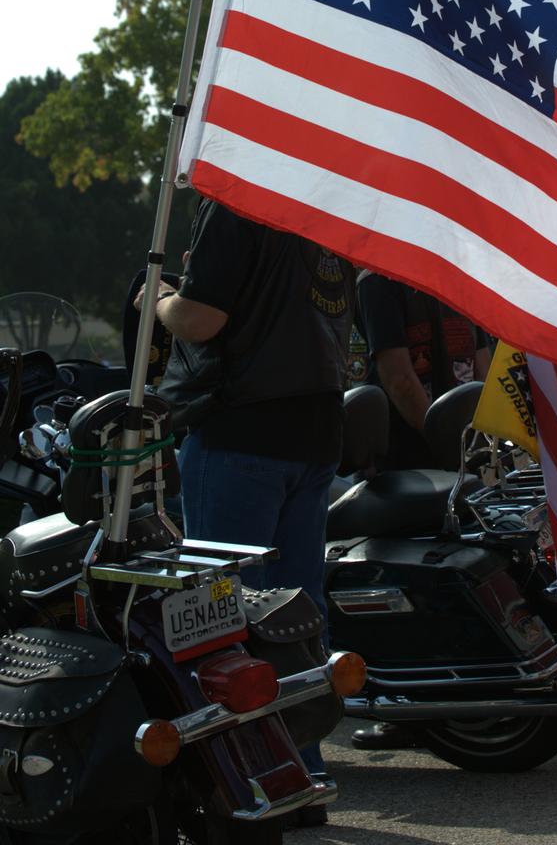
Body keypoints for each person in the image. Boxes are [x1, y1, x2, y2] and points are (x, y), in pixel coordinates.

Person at [135, 197, 353, 825]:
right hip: (315, 428)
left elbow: (201, 320)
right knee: (294, 612)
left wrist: (156, 296)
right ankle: (302, 772)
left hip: (242, 433)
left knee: (224, 620)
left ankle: (253, 782)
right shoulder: (319, 206)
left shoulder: (238, 203)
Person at [351, 272, 491, 752]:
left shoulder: (455, 270)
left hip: (439, 453)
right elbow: (397, 376)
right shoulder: (380, 282)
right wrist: (464, 441)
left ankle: (404, 705)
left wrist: (466, 440)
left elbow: (480, 359)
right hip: (411, 448)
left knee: (405, 581)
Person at [355, 271, 491, 471]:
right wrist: (457, 447)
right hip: (408, 462)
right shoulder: (378, 280)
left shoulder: (463, 279)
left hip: (463, 451)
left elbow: (483, 368)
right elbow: (400, 381)